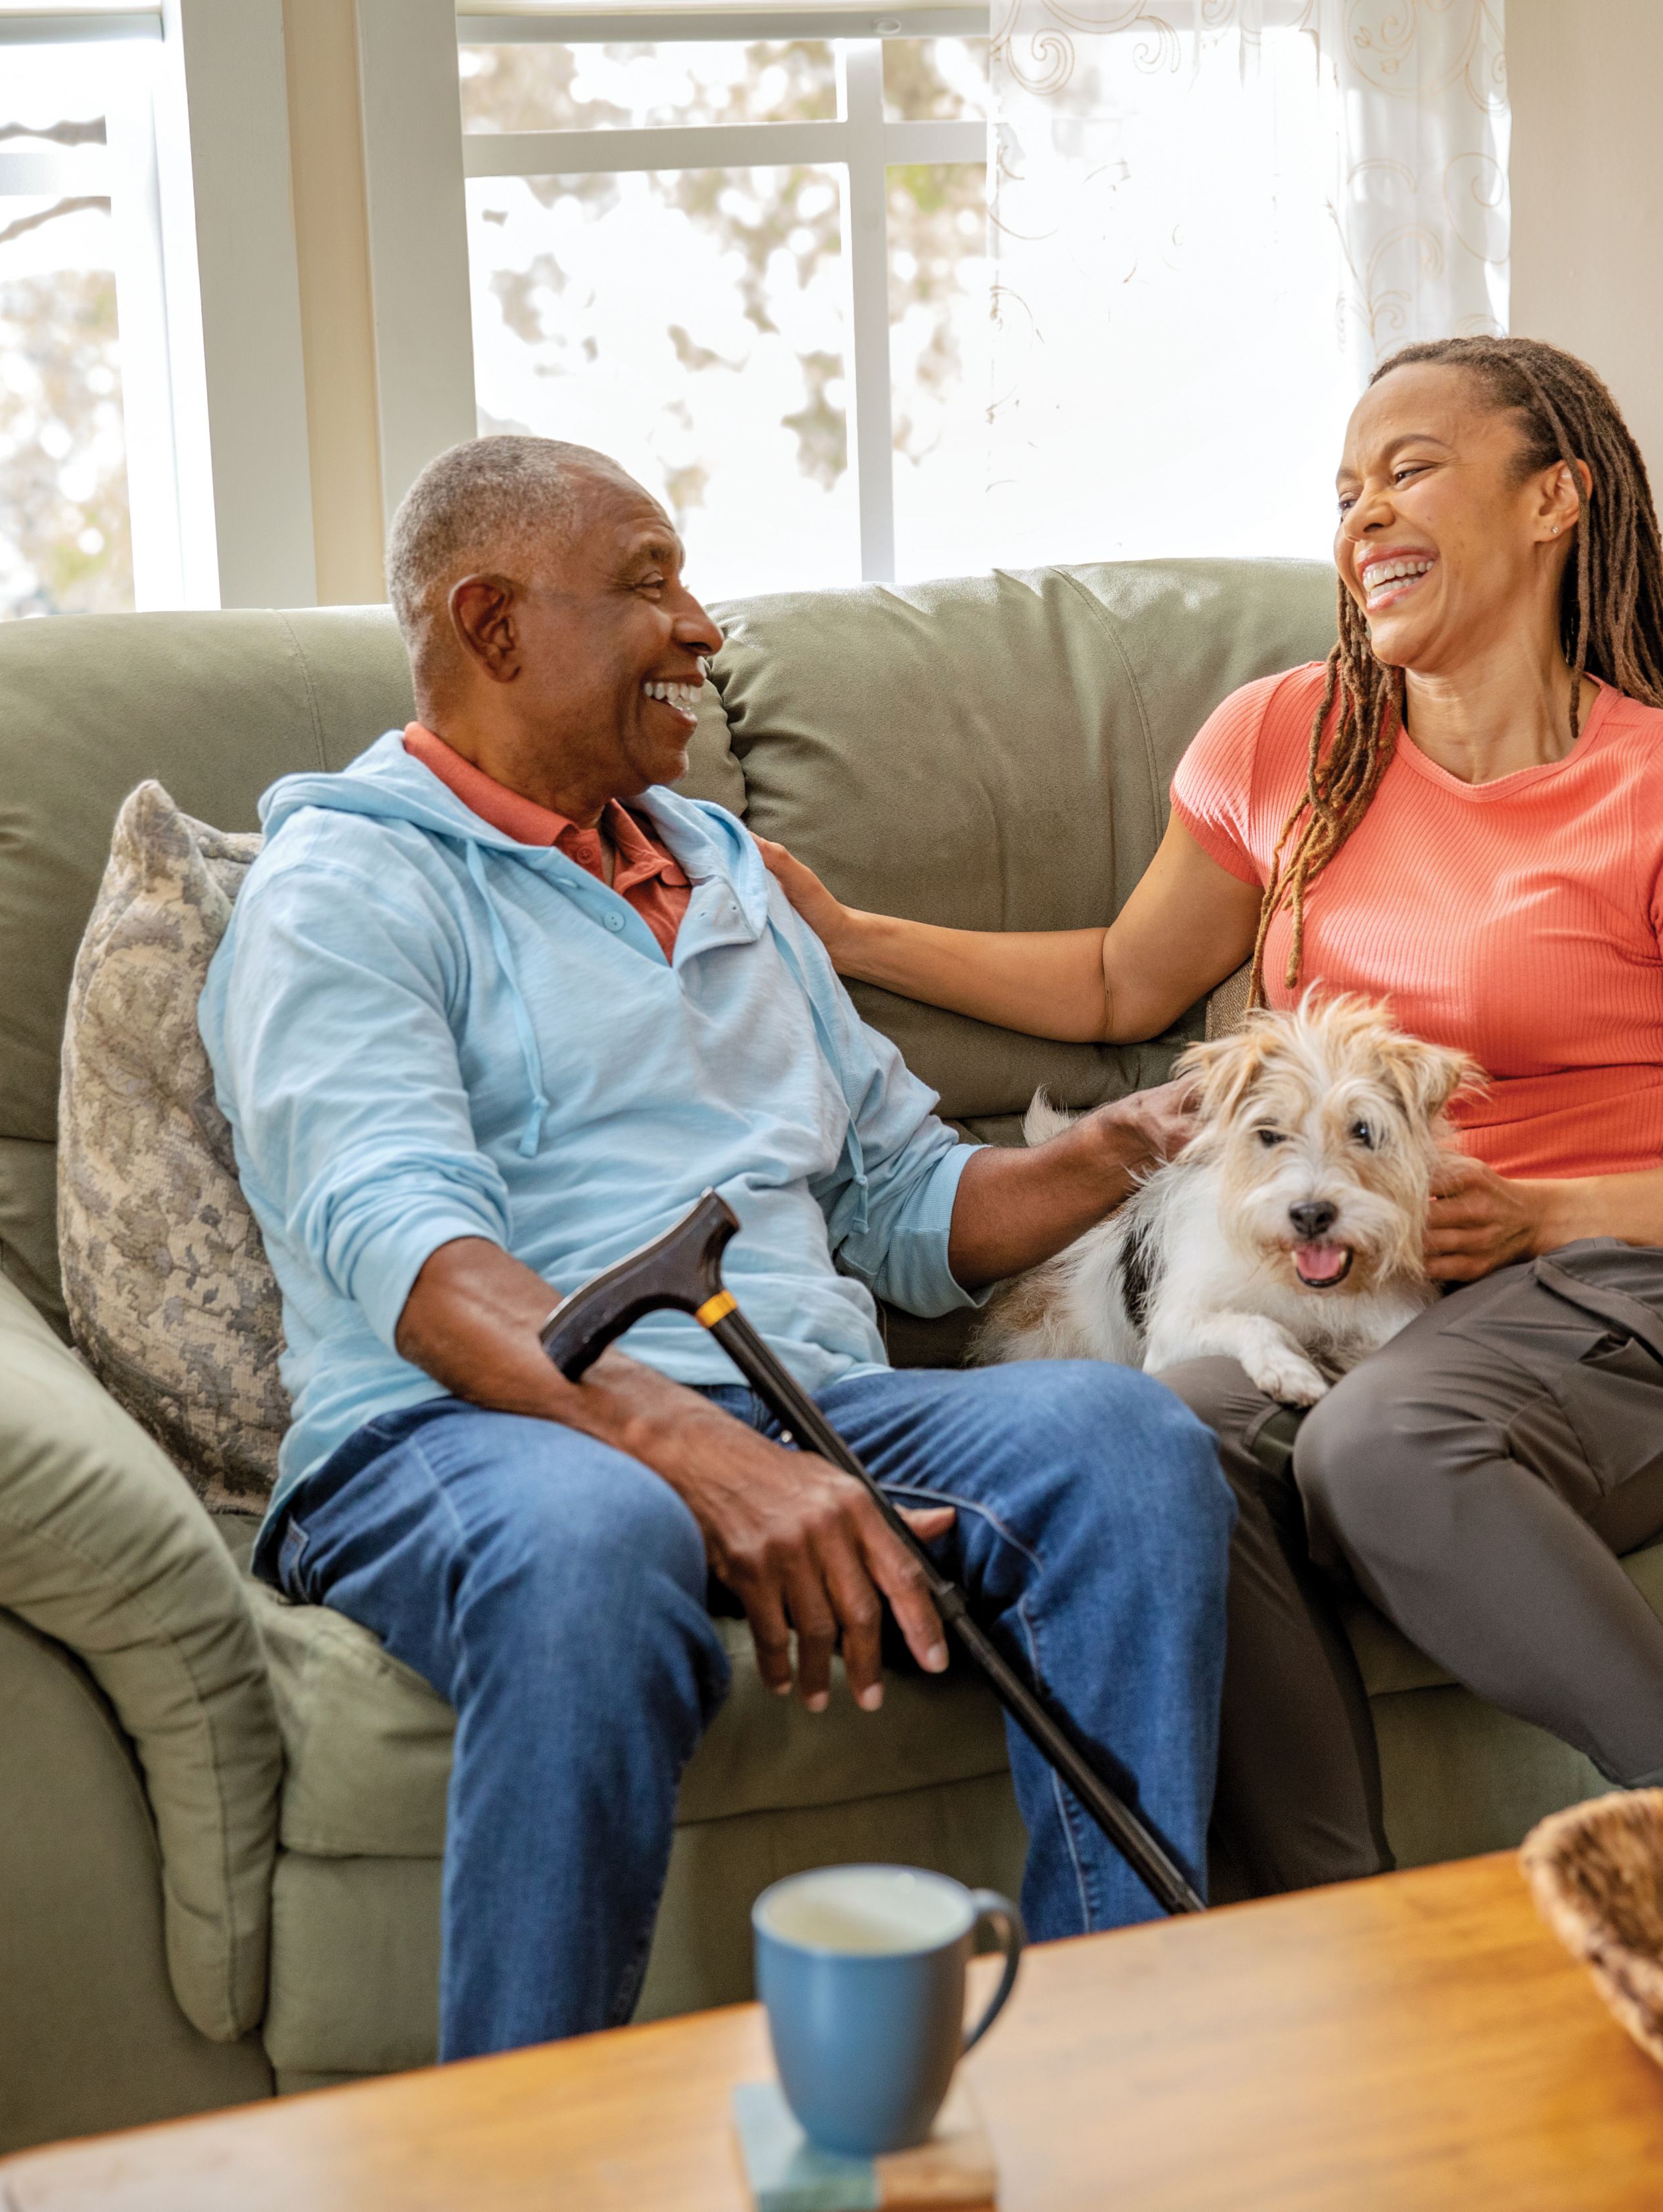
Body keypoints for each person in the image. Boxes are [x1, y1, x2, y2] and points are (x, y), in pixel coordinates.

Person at [765, 336, 1663, 1896]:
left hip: (1623, 1277)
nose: (1365, 514)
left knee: (1375, 1440)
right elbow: (1118, 975)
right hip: (1369, 1280)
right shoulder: (1285, 736)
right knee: (1164, 1446)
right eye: (1346, 489)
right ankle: (1331, 1936)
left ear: (1556, 497)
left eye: (1410, 469)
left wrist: (1548, 1212)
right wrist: (860, 936)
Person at [202, 435, 1232, 2061]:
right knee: (601, 1536)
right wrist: (695, 1455)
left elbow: (898, 1203)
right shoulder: (348, 881)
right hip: (472, 1430)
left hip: (802, 1388)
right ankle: (521, 2155)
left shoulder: (727, 865)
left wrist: (1115, 1149)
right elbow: (410, 1251)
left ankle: (1105, 2080)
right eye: (646, 584)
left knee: (1125, 1441)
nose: (702, 624)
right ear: (491, 622)